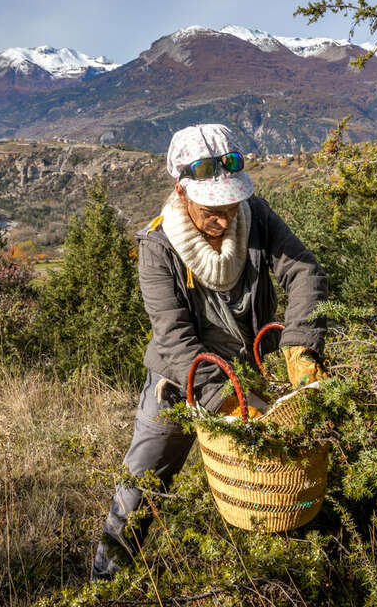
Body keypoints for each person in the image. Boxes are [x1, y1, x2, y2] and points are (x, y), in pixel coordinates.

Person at [92, 123, 328, 580]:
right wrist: (230, 402)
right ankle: (108, 576)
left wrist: (300, 345)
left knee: (272, 477)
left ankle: (276, 575)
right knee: (143, 480)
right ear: (180, 191)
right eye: (210, 206)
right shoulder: (158, 247)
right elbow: (174, 339)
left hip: (249, 373)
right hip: (180, 383)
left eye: (230, 202)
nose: (223, 215)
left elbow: (304, 272)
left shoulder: (255, 215)